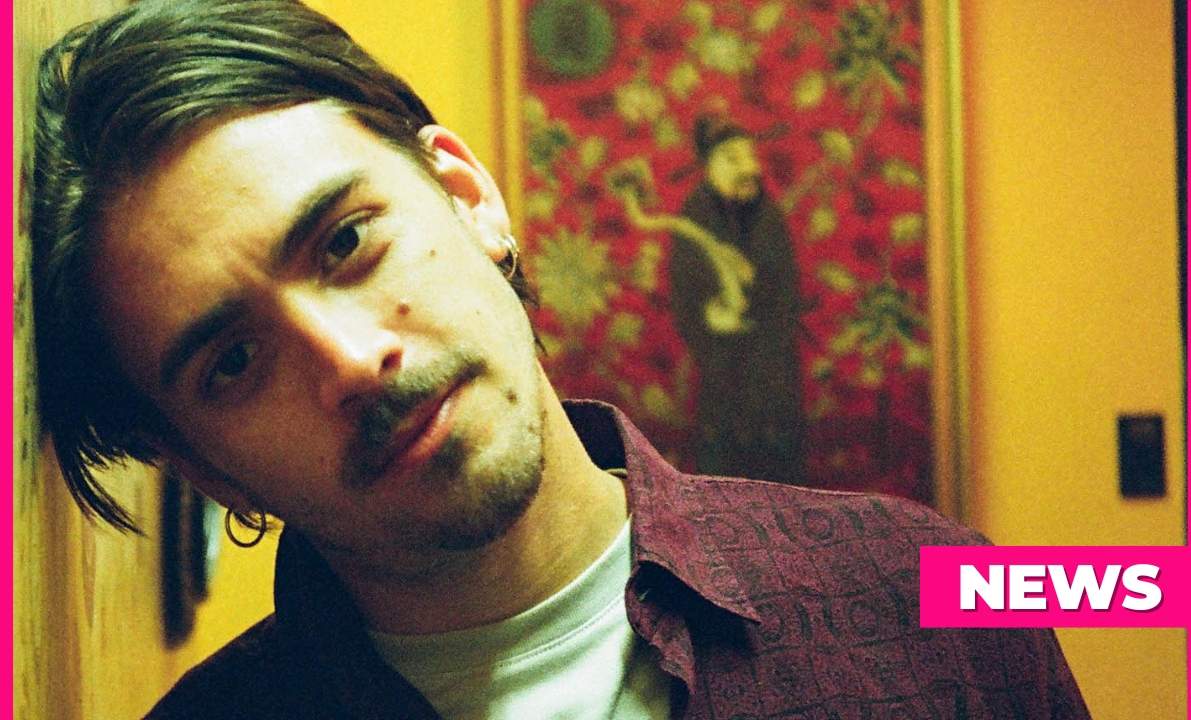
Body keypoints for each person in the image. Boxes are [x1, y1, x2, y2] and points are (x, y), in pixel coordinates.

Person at [29, 1, 1090, 718]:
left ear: (468, 197)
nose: (351, 361)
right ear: (203, 466)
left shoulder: (926, 590)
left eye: (345, 241)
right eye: (233, 362)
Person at [670, 115, 806, 483]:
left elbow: (785, 293)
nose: (749, 169)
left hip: (772, 374)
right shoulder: (695, 217)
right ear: (708, 167)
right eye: (733, 159)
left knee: (780, 476)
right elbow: (685, 293)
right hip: (721, 375)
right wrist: (711, 316)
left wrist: (756, 304)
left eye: (750, 157)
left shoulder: (769, 217)